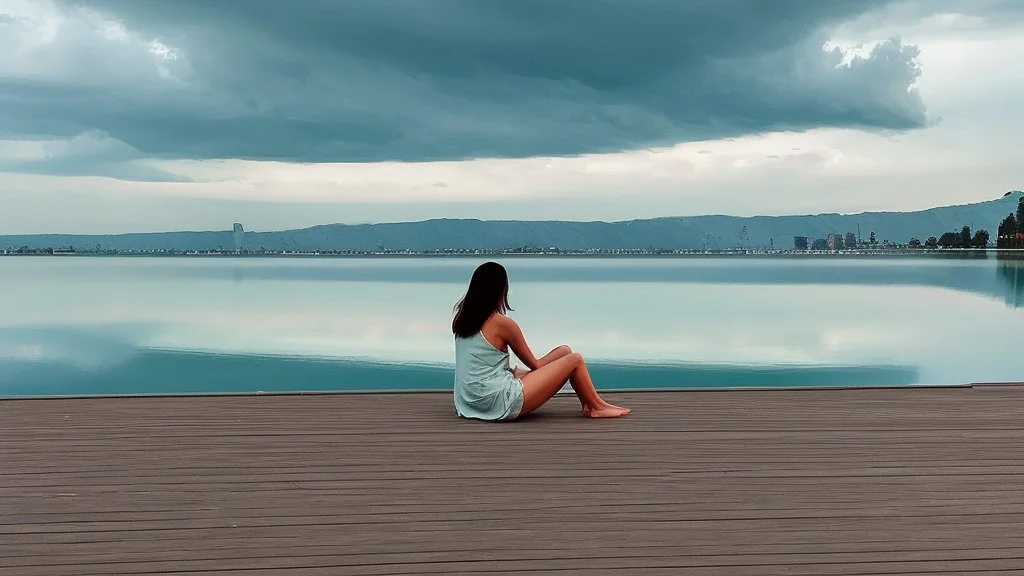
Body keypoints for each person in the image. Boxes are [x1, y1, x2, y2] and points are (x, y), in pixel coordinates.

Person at [452, 261, 631, 421]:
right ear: (501, 289)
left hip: (470, 400)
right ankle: (596, 407)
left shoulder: (462, 319)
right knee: (574, 359)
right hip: (498, 401)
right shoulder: (502, 324)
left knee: (564, 352)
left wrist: (559, 354)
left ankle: (591, 403)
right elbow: (536, 365)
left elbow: (479, 365)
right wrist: (560, 360)